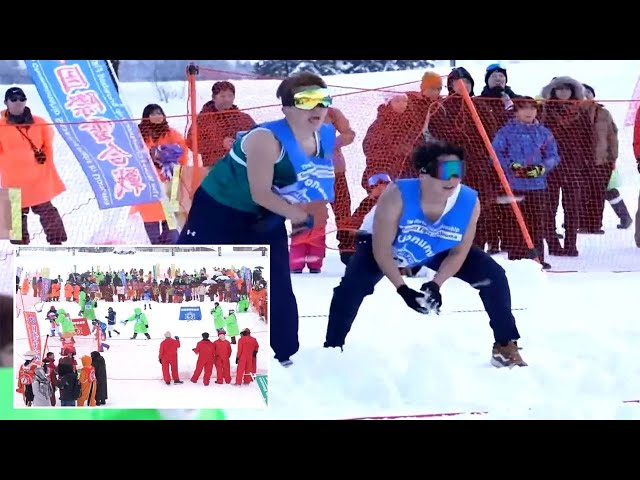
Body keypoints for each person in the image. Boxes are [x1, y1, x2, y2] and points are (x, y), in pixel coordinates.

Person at [177, 72, 337, 368]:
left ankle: (285, 357)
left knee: (276, 282)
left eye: (323, 100)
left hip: (267, 213)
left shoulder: (324, 135)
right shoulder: (266, 138)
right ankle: (181, 345)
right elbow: (261, 192)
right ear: (286, 108)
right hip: (218, 208)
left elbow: (311, 182)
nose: (316, 108)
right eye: (306, 101)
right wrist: (297, 215)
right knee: (196, 277)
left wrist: (307, 210)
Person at [324, 140, 527, 368]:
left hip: (434, 245)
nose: (453, 179)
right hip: (384, 243)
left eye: (458, 171)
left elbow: (459, 252)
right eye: (446, 172)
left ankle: (505, 345)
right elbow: (381, 250)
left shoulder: (469, 201)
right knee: (352, 287)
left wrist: (435, 285)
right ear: (424, 174)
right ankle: (333, 348)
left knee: (493, 275)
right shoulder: (397, 194)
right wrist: (402, 289)